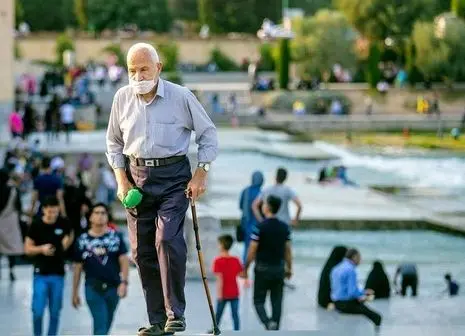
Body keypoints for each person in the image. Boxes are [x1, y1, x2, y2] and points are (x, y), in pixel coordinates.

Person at [105, 42, 218, 335]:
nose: (138, 76)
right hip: (136, 177)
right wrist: (121, 179)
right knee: (142, 251)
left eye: (144, 69)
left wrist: (201, 174)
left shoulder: (181, 97)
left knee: (166, 239)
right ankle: (156, 320)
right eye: (132, 70)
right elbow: (114, 143)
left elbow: (208, 134)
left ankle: (174, 314)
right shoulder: (122, 98)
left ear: (158, 68)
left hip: (173, 177)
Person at [72, 203, 129, 335]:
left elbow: (124, 260)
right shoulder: (82, 240)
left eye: (103, 213)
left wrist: (124, 283)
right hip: (93, 288)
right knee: (100, 325)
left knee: (107, 323)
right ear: (90, 217)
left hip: (113, 287)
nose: (100, 216)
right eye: (96, 213)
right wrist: (74, 292)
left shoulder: (115, 237)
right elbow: (78, 267)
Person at [242, 195, 292, 331]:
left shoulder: (260, 227)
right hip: (279, 268)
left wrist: (245, 268)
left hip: (262, 269)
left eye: (264, 204)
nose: (262, 206)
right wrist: (289, 268)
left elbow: (252, 250)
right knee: (277, 301)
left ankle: (268, 323)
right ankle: (275, 327)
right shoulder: (284, 227)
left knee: (258, 301)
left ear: (268, 207)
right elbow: (288, 250)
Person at [24, 196, 73, 336]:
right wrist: (41, 249)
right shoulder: (36, 224)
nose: (53, 215)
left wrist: (66, 243)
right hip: (41, 273)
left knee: (55, 310)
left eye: (55, 212)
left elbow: (71, 233)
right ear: (44, 210)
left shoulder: (63, 223)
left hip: (58, 273)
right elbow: (27, 248)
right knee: (38, 310)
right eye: (50, 212)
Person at [330, 248, 382, 330]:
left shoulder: (336, 268)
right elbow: (352, 292)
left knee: (361, 304)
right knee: (377, 317)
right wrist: (365, 292)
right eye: (359, 258)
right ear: (354, 257)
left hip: (336, 302)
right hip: (345, 304)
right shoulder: (351, 270)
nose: (360, 260)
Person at [211, 234, 242, 331]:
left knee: (218, 314)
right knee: (235, 315)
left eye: (219, 244)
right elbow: (241, 274)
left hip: (223, 293)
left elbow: (220, 279)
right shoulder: (236, 260)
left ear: (222, 245)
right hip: (234, 292)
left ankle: (214, 330)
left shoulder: (218, 261)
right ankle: (237, 331)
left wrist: (219, 294)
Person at [0, 169, 23, 281]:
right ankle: (11, 270)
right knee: (10, 248)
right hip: (10, 221)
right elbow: (19, 206)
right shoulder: (13, 190)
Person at [238, 171, 264, 264]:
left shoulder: (245, 191)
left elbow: (240, 206)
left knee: (246, 248)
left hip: (246, 224)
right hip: (258, 224)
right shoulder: (262, 193)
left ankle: (244, 270)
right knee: (258, 248)